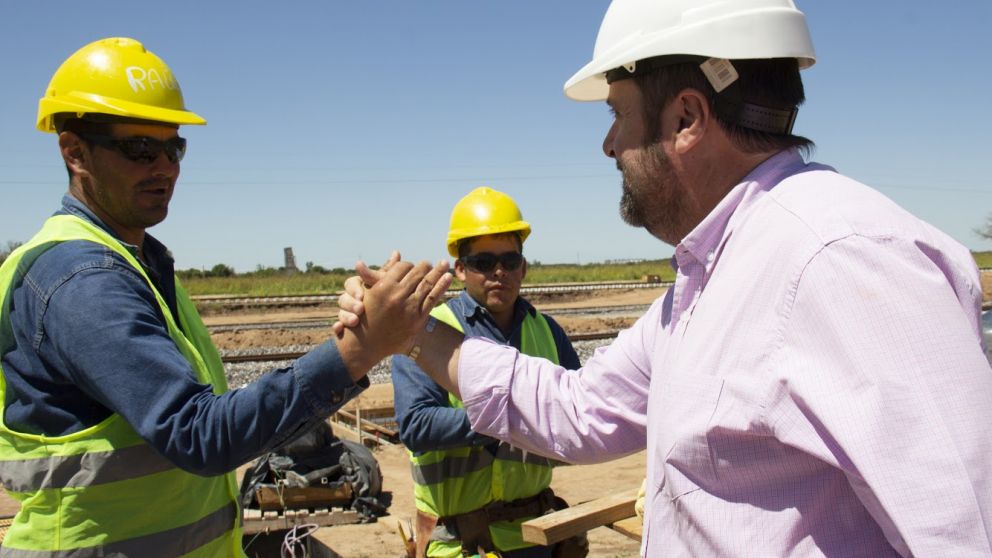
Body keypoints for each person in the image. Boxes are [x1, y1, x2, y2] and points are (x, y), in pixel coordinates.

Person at [338, 1, 992, 555]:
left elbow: (963, 533)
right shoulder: (714, 276)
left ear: (685, 119)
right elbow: (580, 411)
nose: (609, 145)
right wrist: (413, 332)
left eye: (617, 114)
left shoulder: (841, 260)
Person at [0, 37, 449, 557]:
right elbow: (199, 433)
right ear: (75, 152)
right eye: (140, 149)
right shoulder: (80, 278)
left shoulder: (139, 264)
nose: (165, 167)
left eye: (174, 148)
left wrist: (361, 332)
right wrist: (360, 348)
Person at [392, 187, 583, 558]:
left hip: (534, 537)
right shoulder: (429, 331)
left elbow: (578, 411)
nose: (499, 272)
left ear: (523, 267)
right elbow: (416, 425)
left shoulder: (547, 332)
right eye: (483, 261)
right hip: (459, 544)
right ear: (461, 270)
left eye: (510, 260)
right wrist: (506, 418)